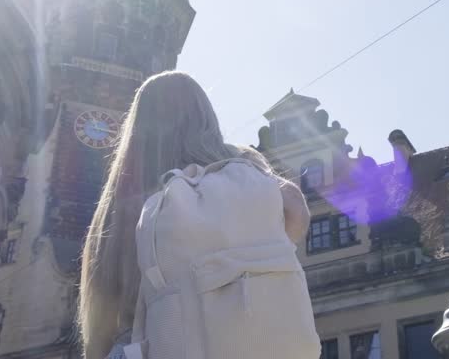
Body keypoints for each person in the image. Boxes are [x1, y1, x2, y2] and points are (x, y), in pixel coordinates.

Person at [78, 71, 319, 359]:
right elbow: (296, 211)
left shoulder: (120, 195)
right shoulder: (238, 165)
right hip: (243, 336)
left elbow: (101, 310)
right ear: (206, 115)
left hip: (140, 345)